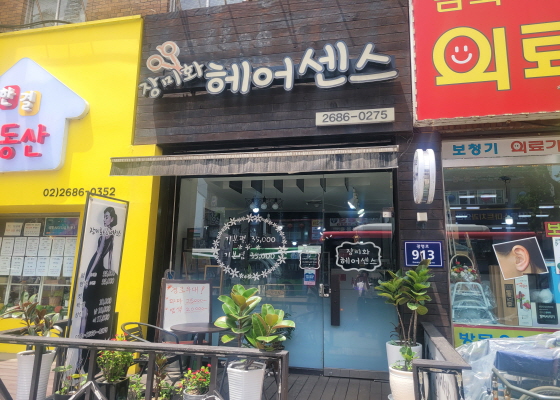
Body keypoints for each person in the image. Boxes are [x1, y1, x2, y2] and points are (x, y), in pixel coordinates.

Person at [77, 207, 118, 371]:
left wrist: (88, 277)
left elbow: (99, 255)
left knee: (86, 310)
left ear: (112, 219)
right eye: (104, 216)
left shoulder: (105, 234)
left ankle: (81, 355)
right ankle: (83, 357)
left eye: (107, 217)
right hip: (101, 272)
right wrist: (110, 274)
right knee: (89, 310)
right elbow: (110, 259)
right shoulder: (112, 235)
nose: (105, 219)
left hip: (94, 270)